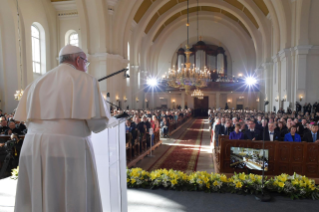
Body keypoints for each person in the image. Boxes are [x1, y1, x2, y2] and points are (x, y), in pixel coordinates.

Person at [13, 45, 118, 212]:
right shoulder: (86, 80)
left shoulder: (36, 82)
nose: (86, 67)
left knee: (38, 197)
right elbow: (97, 124)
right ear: (78, 60)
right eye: (86, 63)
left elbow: (27, 120)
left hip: (32, 146)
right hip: (68, 148)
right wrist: (111, 121)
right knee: (70, 195)